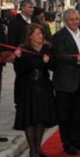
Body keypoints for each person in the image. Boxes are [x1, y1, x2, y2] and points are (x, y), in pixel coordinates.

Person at [52, 9, 80, 155]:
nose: (75, 22)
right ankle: (68, 144)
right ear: (65, 21)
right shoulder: (58, 36)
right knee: (66, 115)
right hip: (65, 81)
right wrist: (76, 59)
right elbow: (59, 56)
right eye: (71, 19)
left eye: (77, 19)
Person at [13, 24, 56, 157]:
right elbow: (19, 71)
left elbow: (54, 67)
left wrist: (48, 61)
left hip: (43, 87)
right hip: (28, 88)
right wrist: (18, 58)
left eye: (41, 34)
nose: (40, 36)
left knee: (41, 118)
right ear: (30, 36)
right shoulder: (23, 49)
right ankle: (32, 149)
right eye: (37, 34)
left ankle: (38, 147)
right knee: (30, 119)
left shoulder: (47, 48)